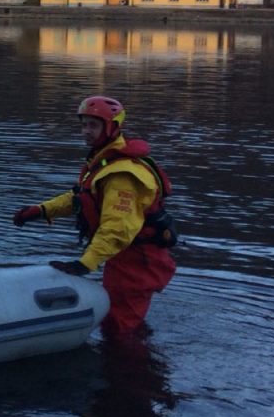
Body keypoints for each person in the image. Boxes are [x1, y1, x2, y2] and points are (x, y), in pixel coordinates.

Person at [12, 95, 178, 336]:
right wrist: (41, 210)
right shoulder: (104, 164)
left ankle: (134, 369)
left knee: (119, 329)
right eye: (84, 125)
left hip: (137, 261)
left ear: (112, 128)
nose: (86, 131)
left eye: (94, 125)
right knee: (118, 322)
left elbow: (117, 227)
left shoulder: (122, 175)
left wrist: (85, 264)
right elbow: (81, 197)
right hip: (124, 257)